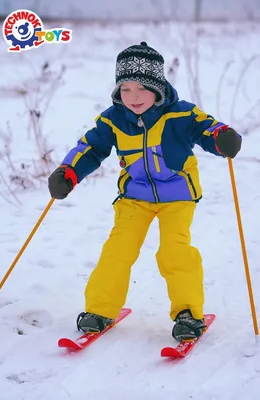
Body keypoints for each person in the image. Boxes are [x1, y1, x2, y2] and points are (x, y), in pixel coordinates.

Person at [48, 42, 241, 342]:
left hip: (178, 194)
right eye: (125, 88)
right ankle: (100, 309)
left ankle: (189, 314)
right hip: (135, 197)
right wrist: (68, 172)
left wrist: (222, 138)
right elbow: (90, 148)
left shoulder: (181, 114)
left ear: (158, 87)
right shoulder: (113, 119)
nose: (133, 97)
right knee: (117, 250)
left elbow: (208, 129)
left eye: (141, 88)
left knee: (174, 251)